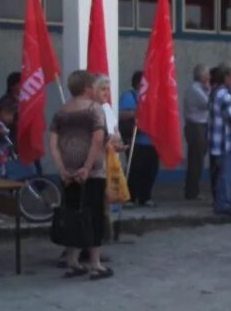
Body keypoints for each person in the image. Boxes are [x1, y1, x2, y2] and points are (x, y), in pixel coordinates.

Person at [49, 70, 111, 280]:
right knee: (94, 214)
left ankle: (72, 262)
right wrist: (87, 166)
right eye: (94, 86)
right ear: (87, 88)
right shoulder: (95, 110)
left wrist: (61, 169)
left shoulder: (61, 111)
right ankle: (95, 264)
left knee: (72, 213)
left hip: (68, 173)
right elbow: (96, 139)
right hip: (91, 173)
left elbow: (53, 143)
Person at [208, 64, 231, 217]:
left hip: (218, 142)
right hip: (226, 143)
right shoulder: (225, 95)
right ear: (226, 78)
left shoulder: (215, 92)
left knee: (220, 175)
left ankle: (220, 202)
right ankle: (223, 205)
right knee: (227, 176)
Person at [119, 70, 158, 207]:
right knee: (135, 169)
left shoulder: (153, 97)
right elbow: (122, 114)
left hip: (152, 140)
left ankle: (145, 196)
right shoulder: (129, 96)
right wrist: (137, 112)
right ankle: (130, 197)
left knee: (150, 169)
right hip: (136, 140)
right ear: (138, 83)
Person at [183, 65, 211, 200]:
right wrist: (209, 90)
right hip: (196, 127)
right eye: (207, 74)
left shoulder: (197, 88)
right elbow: (209, 104)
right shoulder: (196, 89)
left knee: (197, 159)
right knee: (196, 160)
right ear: (201, 75)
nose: (209, 77)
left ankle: (192, 189)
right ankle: (192, 191)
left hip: (199, 126)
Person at [0, 71, 21, 143]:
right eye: (20, 83)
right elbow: (5, 119)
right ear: (12, 86)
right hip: (5, 143)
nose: (23, 85)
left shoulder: (22, 100)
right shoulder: (5, 102)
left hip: (19, 143)